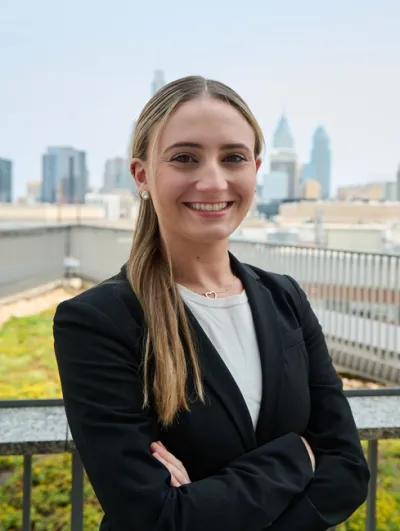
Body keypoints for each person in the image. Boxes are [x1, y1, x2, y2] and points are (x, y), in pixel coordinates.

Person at [53, 75, 369, 531]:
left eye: (233, 158)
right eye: (185, 158)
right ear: (142, 175)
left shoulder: (286, 298)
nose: (213, 180)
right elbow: (153, 516)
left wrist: (201, 502)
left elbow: (347, 473)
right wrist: (296, 457)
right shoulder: (97, 321)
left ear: (256, 170)